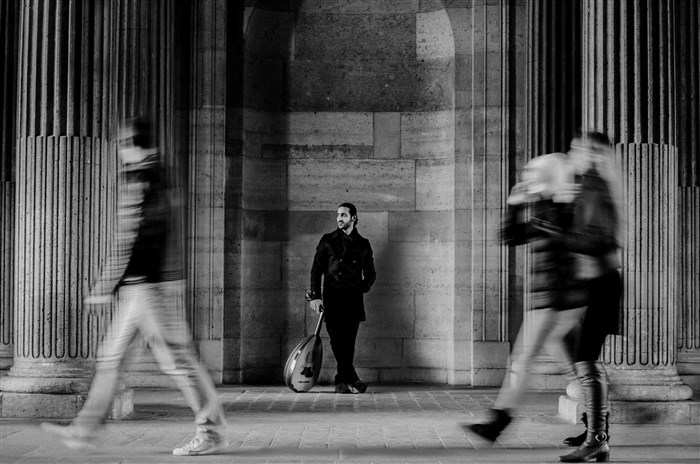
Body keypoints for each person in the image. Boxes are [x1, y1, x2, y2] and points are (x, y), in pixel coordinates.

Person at [41, 117, 227, 456]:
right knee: (112, 358)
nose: (119, 150)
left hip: (149, 288)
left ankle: (210, 431)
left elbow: (137, 238)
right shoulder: (156, 175)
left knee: (177, 362)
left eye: (121, 144)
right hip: (146, 287)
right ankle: (85, 429)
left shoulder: (144, 178)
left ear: (130, 144)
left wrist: (107, 286)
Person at [465, 153, 587, 442]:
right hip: (555, 299)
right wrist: (514, 205)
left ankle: (498, 422)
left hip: (554, 300)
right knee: (572, 367)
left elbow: (557, 242)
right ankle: (596, 423)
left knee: (522, 361)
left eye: (534, 175)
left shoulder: (562, 208)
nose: (528, 180)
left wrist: (526, 204)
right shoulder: (548, 207)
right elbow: (509, 236)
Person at [557, 131, 623, 463]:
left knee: (585, 358)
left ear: (592, 154)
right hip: (592, 282)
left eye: (576, 149)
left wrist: (558, 235)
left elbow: (598, 241)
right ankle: (595, 429)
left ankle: (597, 437)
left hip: (598, 282)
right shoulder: (590, 185)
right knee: (579, 354)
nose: (571, 154)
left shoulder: (594, 186)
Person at [308, 203, 376, 394]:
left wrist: (361, 287)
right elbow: (316, 270)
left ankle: (341, 380)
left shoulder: (363, 244)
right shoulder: (327, 240)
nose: (339, 218)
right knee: (337, 341)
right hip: (332, 297)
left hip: (353, 299)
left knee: (349, 342)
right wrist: (315, 296)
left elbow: (371, 273)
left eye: (344, 215)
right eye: (338, 215)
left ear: (353, 218)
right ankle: (351, 377)